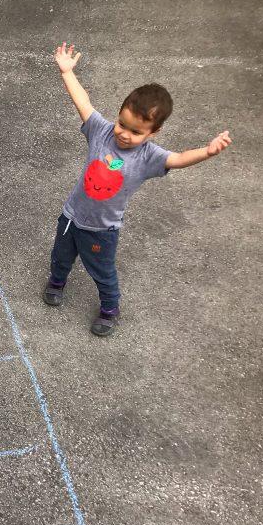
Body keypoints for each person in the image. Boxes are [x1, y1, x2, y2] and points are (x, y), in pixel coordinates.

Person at [44, 42, 232, 336]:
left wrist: (207, 152)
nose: (124, 134)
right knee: (60, 255)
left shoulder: (149, 157)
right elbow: (83, 101)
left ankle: (109, 308)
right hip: (72, 215)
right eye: (123, 124)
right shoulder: (101, 131)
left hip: (102, 229)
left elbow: (179, 159)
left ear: (153, 133)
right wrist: (67, 72)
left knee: (103, 272)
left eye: (135, 131)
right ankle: (57, 281)